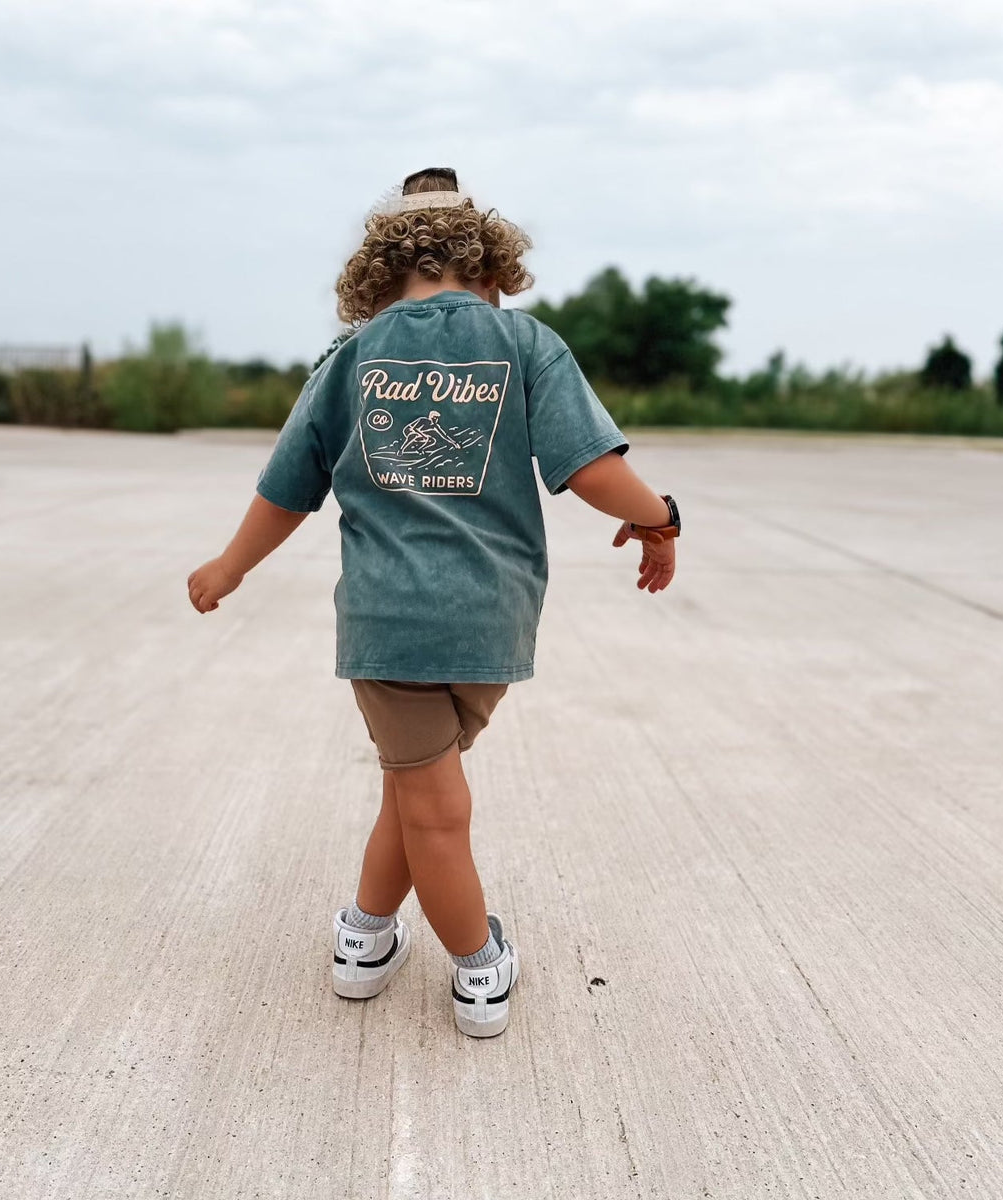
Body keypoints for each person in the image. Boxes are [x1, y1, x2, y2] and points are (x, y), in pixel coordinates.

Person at [186, 167, 680, 1039]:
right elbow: (591, 468)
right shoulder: (524, 345)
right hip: (491, 619)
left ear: (376, 277)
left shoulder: (349, 359)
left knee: (415, 798)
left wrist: (230, 565)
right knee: (436, 809)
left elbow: (286, 488)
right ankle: (478, 965)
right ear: (489, 265)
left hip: (388, 622)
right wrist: (661, 517)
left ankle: (365, 938)